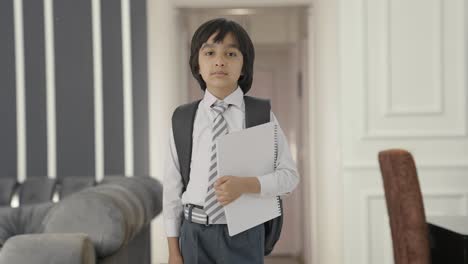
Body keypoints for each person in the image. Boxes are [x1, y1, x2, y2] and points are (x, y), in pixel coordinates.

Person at [163, 17, 299, 264]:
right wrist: (173, 250)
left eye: (231, 53)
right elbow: (172, 190)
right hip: (193, 235)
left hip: (244, 234)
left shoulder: (261, 115)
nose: (219, 60)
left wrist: (246, 185)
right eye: (210, 52)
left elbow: (289, 178)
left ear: (244, 66)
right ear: (197, 64)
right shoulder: (183, 119)